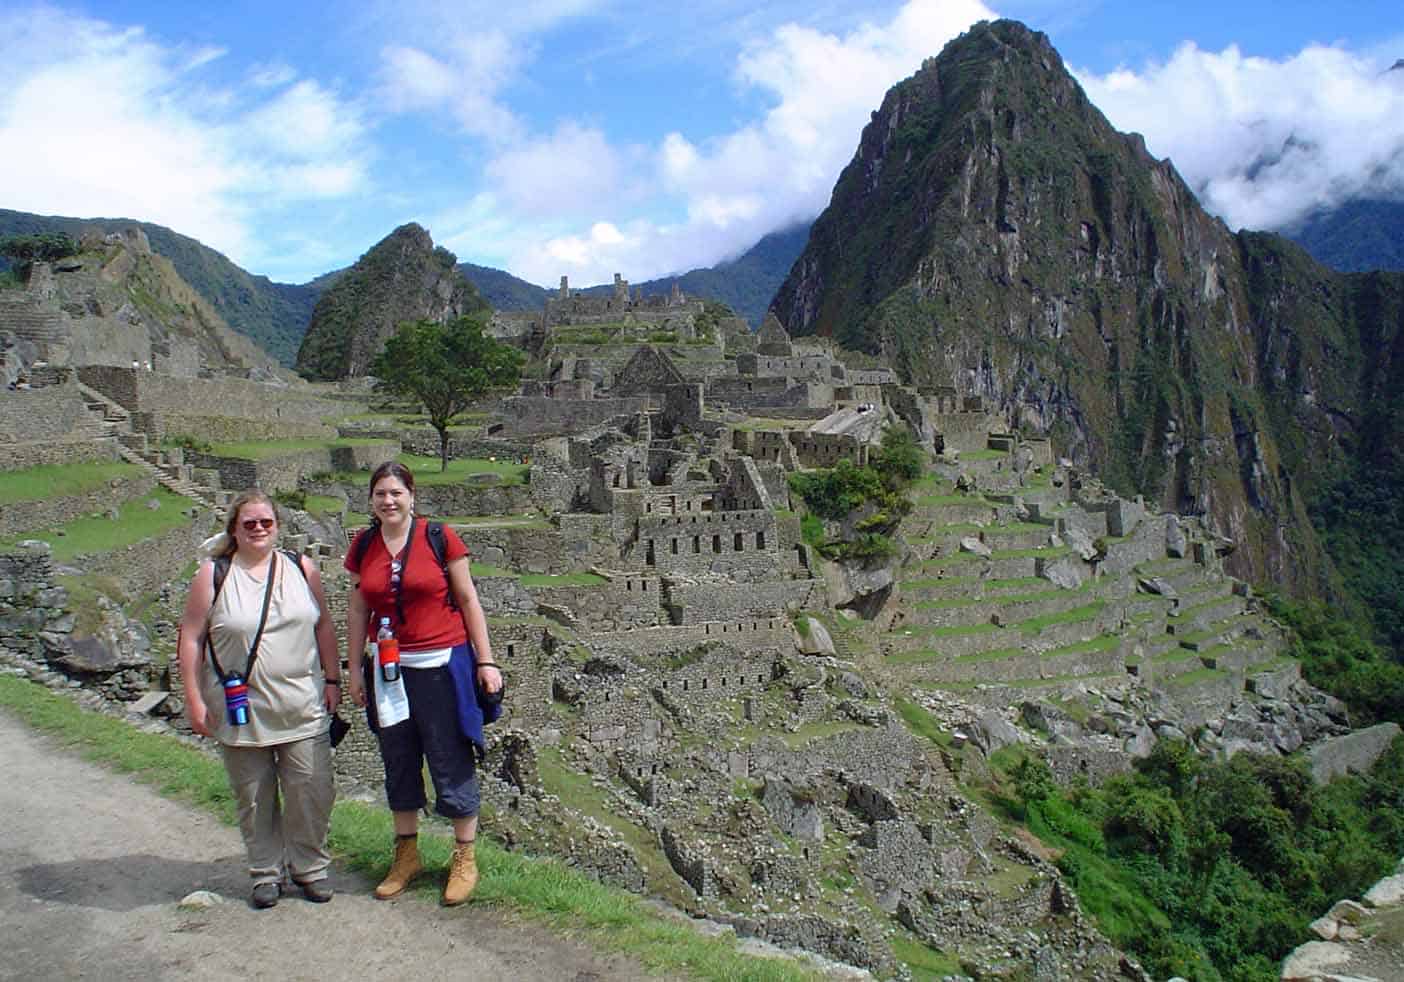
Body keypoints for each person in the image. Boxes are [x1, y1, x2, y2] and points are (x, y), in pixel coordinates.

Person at [345, 461, 503, 906]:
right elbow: (359, 610)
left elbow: (468, 598)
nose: (388, 500)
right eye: (380, 494)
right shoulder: (364, 545)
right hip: (389, 670)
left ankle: (464, 858)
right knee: (398, 758)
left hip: (442, 663)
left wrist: (485, 661)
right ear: (372, 500)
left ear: (412, 496)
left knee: (449, 755)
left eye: (396, 492)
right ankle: (406, 855)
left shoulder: (439, 537)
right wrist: (355, 668)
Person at [177, 490, 341, 909]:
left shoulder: (302, 569)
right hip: (240, 707)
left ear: (277, 526)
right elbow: (191, 637)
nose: (259, 529)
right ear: (234, 528)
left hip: (301, 702)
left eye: (266, 522)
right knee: (253, 795)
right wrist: (194, 698)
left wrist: (334, 679)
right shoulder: (213, 575)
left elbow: (323, 627)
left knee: (311, 788)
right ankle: (266, 872)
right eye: (249, 523)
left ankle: (309, 867)